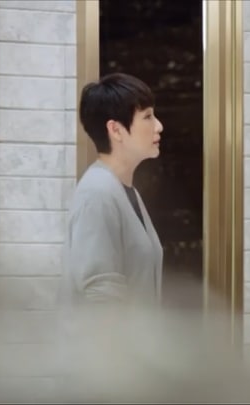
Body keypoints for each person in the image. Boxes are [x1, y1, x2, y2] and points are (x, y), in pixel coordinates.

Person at [59, 72, 164, 308]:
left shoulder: (125, 190)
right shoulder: (98, 193)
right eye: (147, 117)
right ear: (116, 130)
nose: (159, 126)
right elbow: (100, 295)